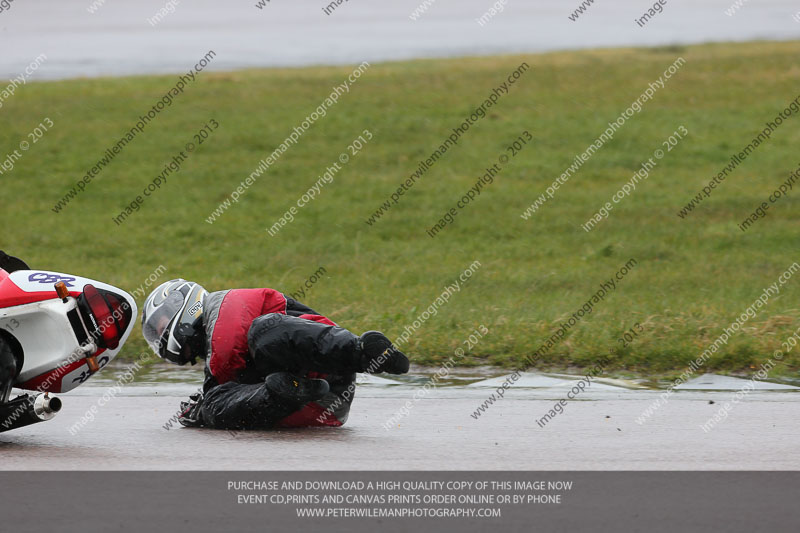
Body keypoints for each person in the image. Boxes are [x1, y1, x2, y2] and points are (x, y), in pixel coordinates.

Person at [141, 279, 409, 430]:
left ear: (182, 306)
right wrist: (204, 410)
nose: (161, 336)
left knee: (264, 331)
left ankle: (362, 352)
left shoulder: (224, 306)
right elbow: (223, 380)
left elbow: (228, 348)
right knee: (213, 406)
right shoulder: (213, 352)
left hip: (328, 364)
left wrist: (209, 394)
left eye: (161, 326)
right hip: (311, 404)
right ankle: (282, 391)